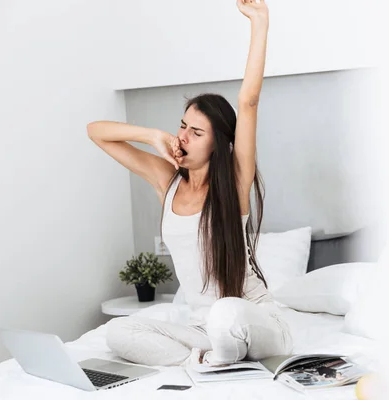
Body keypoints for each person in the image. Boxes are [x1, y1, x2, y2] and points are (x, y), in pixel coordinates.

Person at [87, 0, 292, 367]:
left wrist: (259, 23)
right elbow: (97, 133)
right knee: (117, 332)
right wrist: (152, 135)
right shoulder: (166, 181)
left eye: (196, 132)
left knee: (226, 313)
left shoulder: (234, 183)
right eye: (182, 125)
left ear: (219, 145)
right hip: (204, 331)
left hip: (256, 323)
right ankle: (207, 361)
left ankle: (214, 357)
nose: (182, 136)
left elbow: (248, 102)